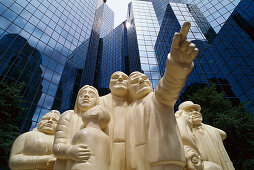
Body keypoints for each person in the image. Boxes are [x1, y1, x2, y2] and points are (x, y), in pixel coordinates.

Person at [125, 21, 199, 170]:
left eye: (145, 79)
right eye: (135, 80)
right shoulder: (127, 109)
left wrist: (177, 63)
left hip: (164, 161)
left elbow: (170, 84)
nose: (141, 80)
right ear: (128, 90)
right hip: (135, 164)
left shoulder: (157, 98)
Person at [177, 101, 234, 170]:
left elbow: (223, 135)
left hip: (221, 163)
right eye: (190, 111)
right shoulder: (183, 130)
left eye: (196, 110)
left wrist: (204, 125)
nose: (195, 112)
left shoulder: (209, 128)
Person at [53, 85, 99, 170]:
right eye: (82, 94)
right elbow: (56, 147)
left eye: (92, 95)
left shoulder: (101, 121)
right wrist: (69, 151)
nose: (86, 96)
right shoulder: (68, 115)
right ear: (77, 99)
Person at [99, 71, 129, 170]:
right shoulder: (98, 102)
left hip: (132, 153)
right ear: (109, 85)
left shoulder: (137, 103)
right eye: (115, 77)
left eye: (124, 78)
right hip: (104, 152)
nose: (120, 79)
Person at [66, 105, 110, 170]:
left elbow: (70, 160)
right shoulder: (106, 138)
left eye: (89, 110)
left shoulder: (83, 133)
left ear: (94, 114)